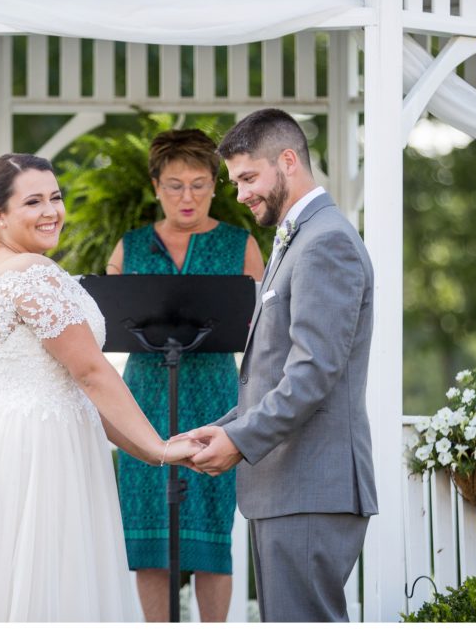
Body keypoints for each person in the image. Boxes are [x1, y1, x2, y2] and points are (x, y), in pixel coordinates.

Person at [0, 154, 205, 622]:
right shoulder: (33, 274)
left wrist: (146, 450)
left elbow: (75, 385)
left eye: (56, 197)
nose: (52, 211)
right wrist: (160, 447)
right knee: (49, 577)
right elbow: (91, 373)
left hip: (13, 440)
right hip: (42, 450)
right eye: (34, 201)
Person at [181, 109, 378, 622]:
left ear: (288, 161)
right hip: (288, 485)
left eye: (248, 177)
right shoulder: (298, 238)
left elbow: (313, 374)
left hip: (310, 486)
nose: (241, 193)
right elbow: (272, 371)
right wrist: (221, 428)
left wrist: (241, 441)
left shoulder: (325, 241)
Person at [106, 129, 264, 622]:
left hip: (216, 398)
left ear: (215, 186)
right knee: (148, 536)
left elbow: (264, 333)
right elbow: (104, 326)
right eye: (174, 185)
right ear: (155, 186)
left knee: (212, 534)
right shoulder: (128, 248)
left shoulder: (241, 246)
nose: (187, 197)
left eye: (198, 184)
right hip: (144, 401)